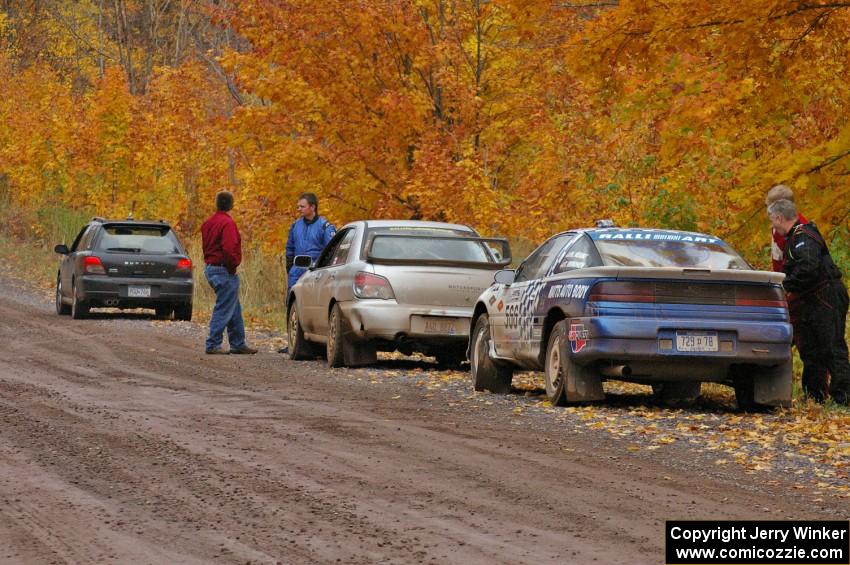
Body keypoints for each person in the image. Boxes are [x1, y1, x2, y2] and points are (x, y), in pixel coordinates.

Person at [768, 198, 849, 404]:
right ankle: (815, 397)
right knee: (811, 349)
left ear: (779, 217)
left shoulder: (804, 236)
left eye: (772, 221)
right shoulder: (795, 238)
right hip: (811, 298)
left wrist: (786, 285)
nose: (773, 226)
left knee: (831, 347)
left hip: (826, 294)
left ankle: (844, 397)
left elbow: (808, 268)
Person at [201, 190, 258, 355]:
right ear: (231, 205)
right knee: (224, 306)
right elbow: (229, 249)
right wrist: (233, 266)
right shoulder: (227, 224)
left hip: (210, 267)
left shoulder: (208, 223)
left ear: (217, 204)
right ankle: (212, 343)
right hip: (223, 269)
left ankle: (238, 342)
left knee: (233, 306)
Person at [279, 192, 336, 354]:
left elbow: (332, 249)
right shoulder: (295, 225)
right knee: (292, 307)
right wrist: (289, 267)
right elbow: (289, 247)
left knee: (314, 306)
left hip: (315, 272)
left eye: (302, 206)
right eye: (298, 206)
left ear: (312, 207)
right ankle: (293, 342)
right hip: (296, 272)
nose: (299, 209)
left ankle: (317, 343)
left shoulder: (325, 227)